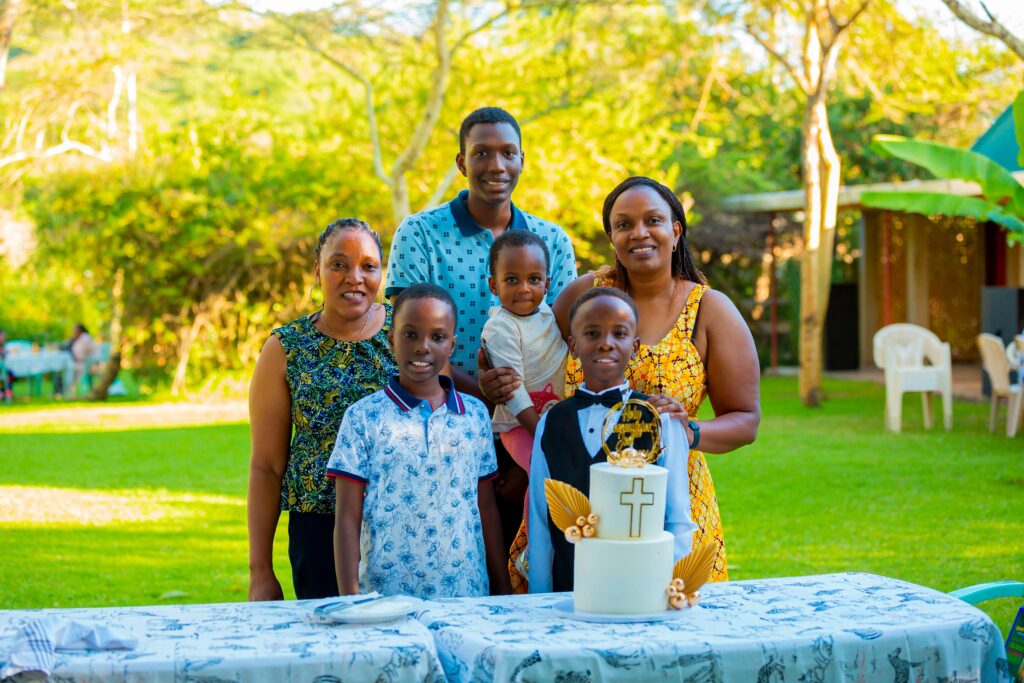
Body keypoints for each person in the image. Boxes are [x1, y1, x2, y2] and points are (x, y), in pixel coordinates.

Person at [384, 106, 577, 553]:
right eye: (482, 153)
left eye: (508, 153)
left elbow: (564, 343)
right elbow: (410, 344)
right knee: (452, 563)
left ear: (522, 159)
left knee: (534, 566)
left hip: (532, 433)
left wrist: (524, 431)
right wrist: (483, 395)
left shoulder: (552, 240)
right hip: (442, 428)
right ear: (461, 162)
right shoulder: (420, 234)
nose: (497, 165)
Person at [552, 176, 761, 582]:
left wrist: (688, 430)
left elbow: (746, 420)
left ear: (676, 231)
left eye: (653, 220)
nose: (639, 233)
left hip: (672, 502)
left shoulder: (709, 310)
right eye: (624, 224)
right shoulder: (584, 297)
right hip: (580, 494)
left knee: (668, 606)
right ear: (611, 237)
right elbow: (536, 363)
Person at [328, 283, 511, 598]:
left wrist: (502, 587)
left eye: (437, 337)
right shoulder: (363, 417)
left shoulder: (475, 415)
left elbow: (485, 507)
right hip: (385, 599)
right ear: (391, 339)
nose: (422, 347)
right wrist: (351, 598)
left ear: (452, 345)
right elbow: (347, 516)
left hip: (466, 596)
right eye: (410, 334)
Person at [247, 218, 397, 601]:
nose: (354, 277)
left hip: (401, 523)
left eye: (368, 266)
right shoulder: (286, 348)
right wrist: (260, 571)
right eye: (338, 264)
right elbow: (267, 467)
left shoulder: (406, 332)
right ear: (317, 270)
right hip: (319, 534)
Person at [526, 287, 696, 592]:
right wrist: (539, 597)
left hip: (640, 589)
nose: (606, 343)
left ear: (635, 346)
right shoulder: (551, 423)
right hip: (570, 589)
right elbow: (540, 520)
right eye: (592, 333)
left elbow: (678, 519)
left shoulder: (659, 419)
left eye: (619, 334)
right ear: (573, 345)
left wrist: (673, 593)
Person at [480, 230, 568, 592]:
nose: (524, 289)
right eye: (512, 280)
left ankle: (556, 546)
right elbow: (513, 392)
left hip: (549, 419)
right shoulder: (500, 327)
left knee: (560, 476)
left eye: (533, 279)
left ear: (547, 282)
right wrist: (544, 432)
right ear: (494, 284)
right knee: (543, 474)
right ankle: (534, 549)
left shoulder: (548, 315)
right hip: (521, 425)